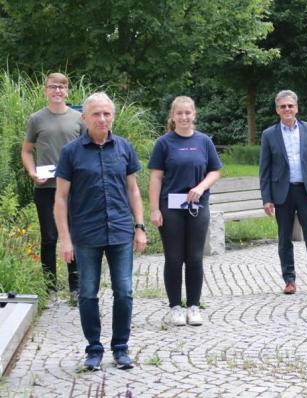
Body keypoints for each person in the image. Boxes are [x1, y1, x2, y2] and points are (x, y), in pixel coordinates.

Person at [54, 92, 147, 370]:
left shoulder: (123, 148)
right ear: (84, 118)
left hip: (119, 230)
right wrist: (65, 238)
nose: (102, 118)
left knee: (125, 291)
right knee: (87, 294)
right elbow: (60, 198)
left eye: (107, 113)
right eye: (96, 113)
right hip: (86, 234)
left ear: (113, 116)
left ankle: (121, 348)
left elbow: (133, 189)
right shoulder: (71, 152)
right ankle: (93, 349)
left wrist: (139, 227)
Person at [148, 96, 222, 327]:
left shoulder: (204, 142)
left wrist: (200, 187)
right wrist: (153, 209)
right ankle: (175, 307)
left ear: (194, 115)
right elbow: (156, 177)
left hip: (197, 207)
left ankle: (193, 306)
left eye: (188, 113)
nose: (184, 117)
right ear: (173, 116)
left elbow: (215, 171)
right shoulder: (164, 143)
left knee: (195, 258)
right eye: (179, 113)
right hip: (170, 208)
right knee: (173, 258)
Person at [259, 90, 307, 296]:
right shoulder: (269, 135)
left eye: (290, 105)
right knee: (284, 238)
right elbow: (264, 170)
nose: (287, 109)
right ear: (277, 110)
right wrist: (267, 198)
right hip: (282, 193)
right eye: (283, 106)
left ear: (297, 108)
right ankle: (289, 280)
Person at [21, 72, 82, 302]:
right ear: (46, 90)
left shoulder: (79, 118)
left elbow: (86, 151)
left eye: (62, 87)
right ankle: (50, 289)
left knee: (74, 235)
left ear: (67, 91)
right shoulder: (36, 119)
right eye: (53, 86)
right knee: (49, 237)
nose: (57, 90)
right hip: (46, 188)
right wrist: (31, 171)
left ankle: (76, 288)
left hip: (73, 189)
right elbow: (27, 151)